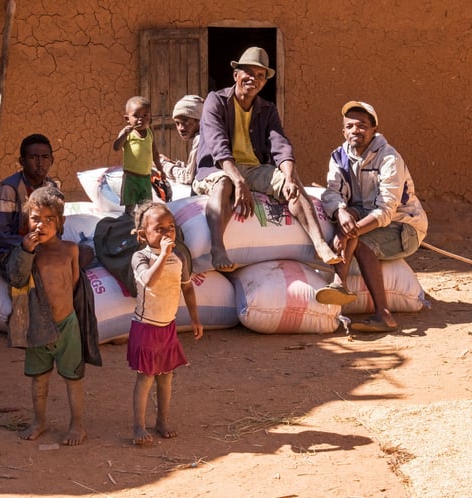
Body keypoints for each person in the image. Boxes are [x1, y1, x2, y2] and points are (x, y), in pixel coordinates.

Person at [194, 46, 340, 272]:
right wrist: (239, 181)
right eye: (249, 73)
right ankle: (217, 247)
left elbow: (280, 145)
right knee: (223, 184)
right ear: (236, 74)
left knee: (292, 184)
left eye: (260, 75)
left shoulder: (267, 109)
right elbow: (217, 145)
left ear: (264, 82)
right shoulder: (216, 101)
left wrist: (289, 177)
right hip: (218, 168)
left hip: (254, 169)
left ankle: (319, 243)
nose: (254, 79)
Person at [316, 101, 428, 332]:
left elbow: (386, 211)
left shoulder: (388, 158)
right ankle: (339, 284)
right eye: (350, 126)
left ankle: (384, 314)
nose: (355, 130)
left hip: (403, 227)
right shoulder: (339, 156)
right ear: (343, 131)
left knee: (361, 244)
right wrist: (340, 212)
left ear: (374, 129)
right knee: (346, 214)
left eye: (362, 126)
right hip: (364, 216)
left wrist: (349, 232)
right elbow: (332, 193)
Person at [6, 187, 90, 445]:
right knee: (39, 378)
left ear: (60, 222)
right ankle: (39, 421)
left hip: (67, 325)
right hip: (38, 326)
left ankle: (77, 425)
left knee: (73, 378)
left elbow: (73, 285)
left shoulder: (70, 250)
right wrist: (26, 251)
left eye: (49, 219)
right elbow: (16, 278)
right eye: (35, 218)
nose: (41, 224)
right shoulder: (26, 252)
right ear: (27, 221)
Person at [127, 201, 203, 445]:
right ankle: (139, 426)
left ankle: (162, 420)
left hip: (167, 326)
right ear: (142, 235)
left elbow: (187, 288)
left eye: (170, 227)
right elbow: (148, 280)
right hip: (146, 327)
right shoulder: (141, 257)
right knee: (146, 378)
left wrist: (195, 318)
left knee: (167, 377)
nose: (167, 232)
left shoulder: (178, 258)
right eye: (159, 229)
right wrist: (163, 255)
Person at [0, 133, 58, 274]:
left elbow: (56, 225)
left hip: (40, 245)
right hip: (8, 251)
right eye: (33, 157)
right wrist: (29, 244)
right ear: (22, 161)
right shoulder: (8, 190)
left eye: (45, 157)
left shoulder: (51, 188)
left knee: (75, 255)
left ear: (52, 160)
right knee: (41, 268)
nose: (40, 163)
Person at [113, 96, 164, 213]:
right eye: (136, 116)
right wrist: (123, 135)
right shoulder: (128, 133)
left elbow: (155, 153)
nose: (141, 119)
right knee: (130, 207)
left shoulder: (150, 133)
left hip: (145, 178)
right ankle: (128, 221)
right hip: (131, 178)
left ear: (150, 117)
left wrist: (160, 169)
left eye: (145, 115)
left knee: (145, 207)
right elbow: (116, 147)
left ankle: (142, 222)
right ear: (127, 118)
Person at [160, 95, 204, 186]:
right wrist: (172, 163)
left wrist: (163, 164)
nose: (181, 128)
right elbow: (195, 170)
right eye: (177, 123)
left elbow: (187, 177)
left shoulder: (200, 139)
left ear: (199, 121)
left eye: (186, 122)